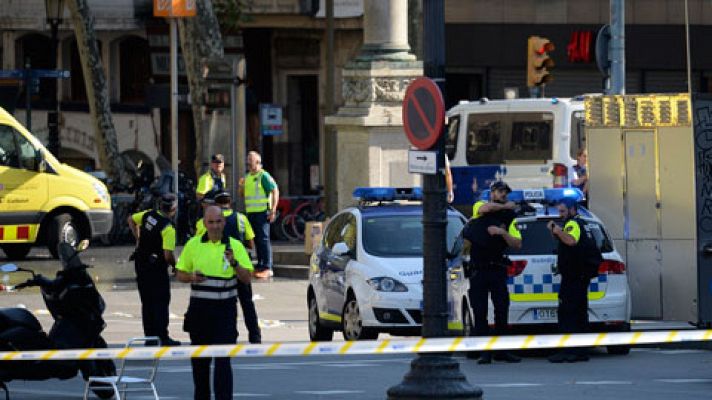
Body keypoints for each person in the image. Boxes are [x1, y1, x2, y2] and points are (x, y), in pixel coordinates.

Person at [176, 205, 253, 400]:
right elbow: (180, 273)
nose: (215, 226)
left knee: (222, 363)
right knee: (200, 364)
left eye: (218, 221)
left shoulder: (235, 246)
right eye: (211, 222)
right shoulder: (194, 244)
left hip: (224, 314)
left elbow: (247, 278)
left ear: (224, 222)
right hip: (199, 313)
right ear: (204, 223)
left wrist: (235, 263)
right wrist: (192, 277)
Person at [463, 181, 522, 364]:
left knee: (501, 310)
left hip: (497, 270)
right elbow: (486, 209)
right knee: (480, 313)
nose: (503, 194)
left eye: (505, 192)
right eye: (500, 191)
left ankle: (501, 351)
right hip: (479, 271)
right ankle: (484, 352)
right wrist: (505, 206)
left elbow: (517, 243)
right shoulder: (480, 206)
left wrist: (502, 233)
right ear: (492, 192)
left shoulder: (509, 218)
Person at [195, 191, 262, 344]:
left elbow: (199, 242)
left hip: (216, 269)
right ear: (230, 202)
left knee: (221, 304)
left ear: (215, 204)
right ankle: (254, 335)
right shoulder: (241, 218)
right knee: (246, 302)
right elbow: (251, 243)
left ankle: (227, 334)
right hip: (238, 266)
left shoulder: (204, 222)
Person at [547, 197, 600, 363]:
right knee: (579, 315)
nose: (560, 215)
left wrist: (556, 230)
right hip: (579, 277)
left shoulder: (573, 224)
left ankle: (569, 351)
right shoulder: (584, 223)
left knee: (567, 314)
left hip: (573, 278)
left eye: (563, 211)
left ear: (572, 209)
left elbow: (571, 240)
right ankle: (580, 351)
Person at [127, 193, 181, 347]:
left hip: (141, 263)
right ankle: (162, 337)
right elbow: (167, 254)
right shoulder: (168, 228)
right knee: (161, 302)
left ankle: (150, 337)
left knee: (147, 302)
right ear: (174, 209)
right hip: (156, 268)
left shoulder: (148, 215)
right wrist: (174, 266)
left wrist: (138, 239)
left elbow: (131, 219)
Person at [239, 151, 279, 279]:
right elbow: (242, 195)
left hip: (262, 213)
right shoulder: (247, 177)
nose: (249, 165)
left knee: (263, 239)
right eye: (248, 163)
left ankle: (267, 267)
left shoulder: (264, 176)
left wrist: (273, 209)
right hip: (251, 213)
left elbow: (275, 190)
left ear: (258, 162)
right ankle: (260, 265)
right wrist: (241, 186)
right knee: (256, 240)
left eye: (251, 162)